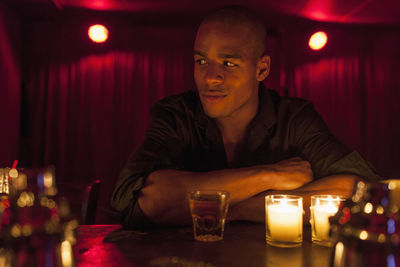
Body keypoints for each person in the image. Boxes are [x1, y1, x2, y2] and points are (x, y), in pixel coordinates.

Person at [111, 6, 380, 229]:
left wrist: (238, 208)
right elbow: (136, 201)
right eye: (201, 61)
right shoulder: (175, 115)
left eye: (229, 63)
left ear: (261, 69)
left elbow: (358, 188)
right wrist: (268, 176)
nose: (210, 77)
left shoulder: (294, 118)